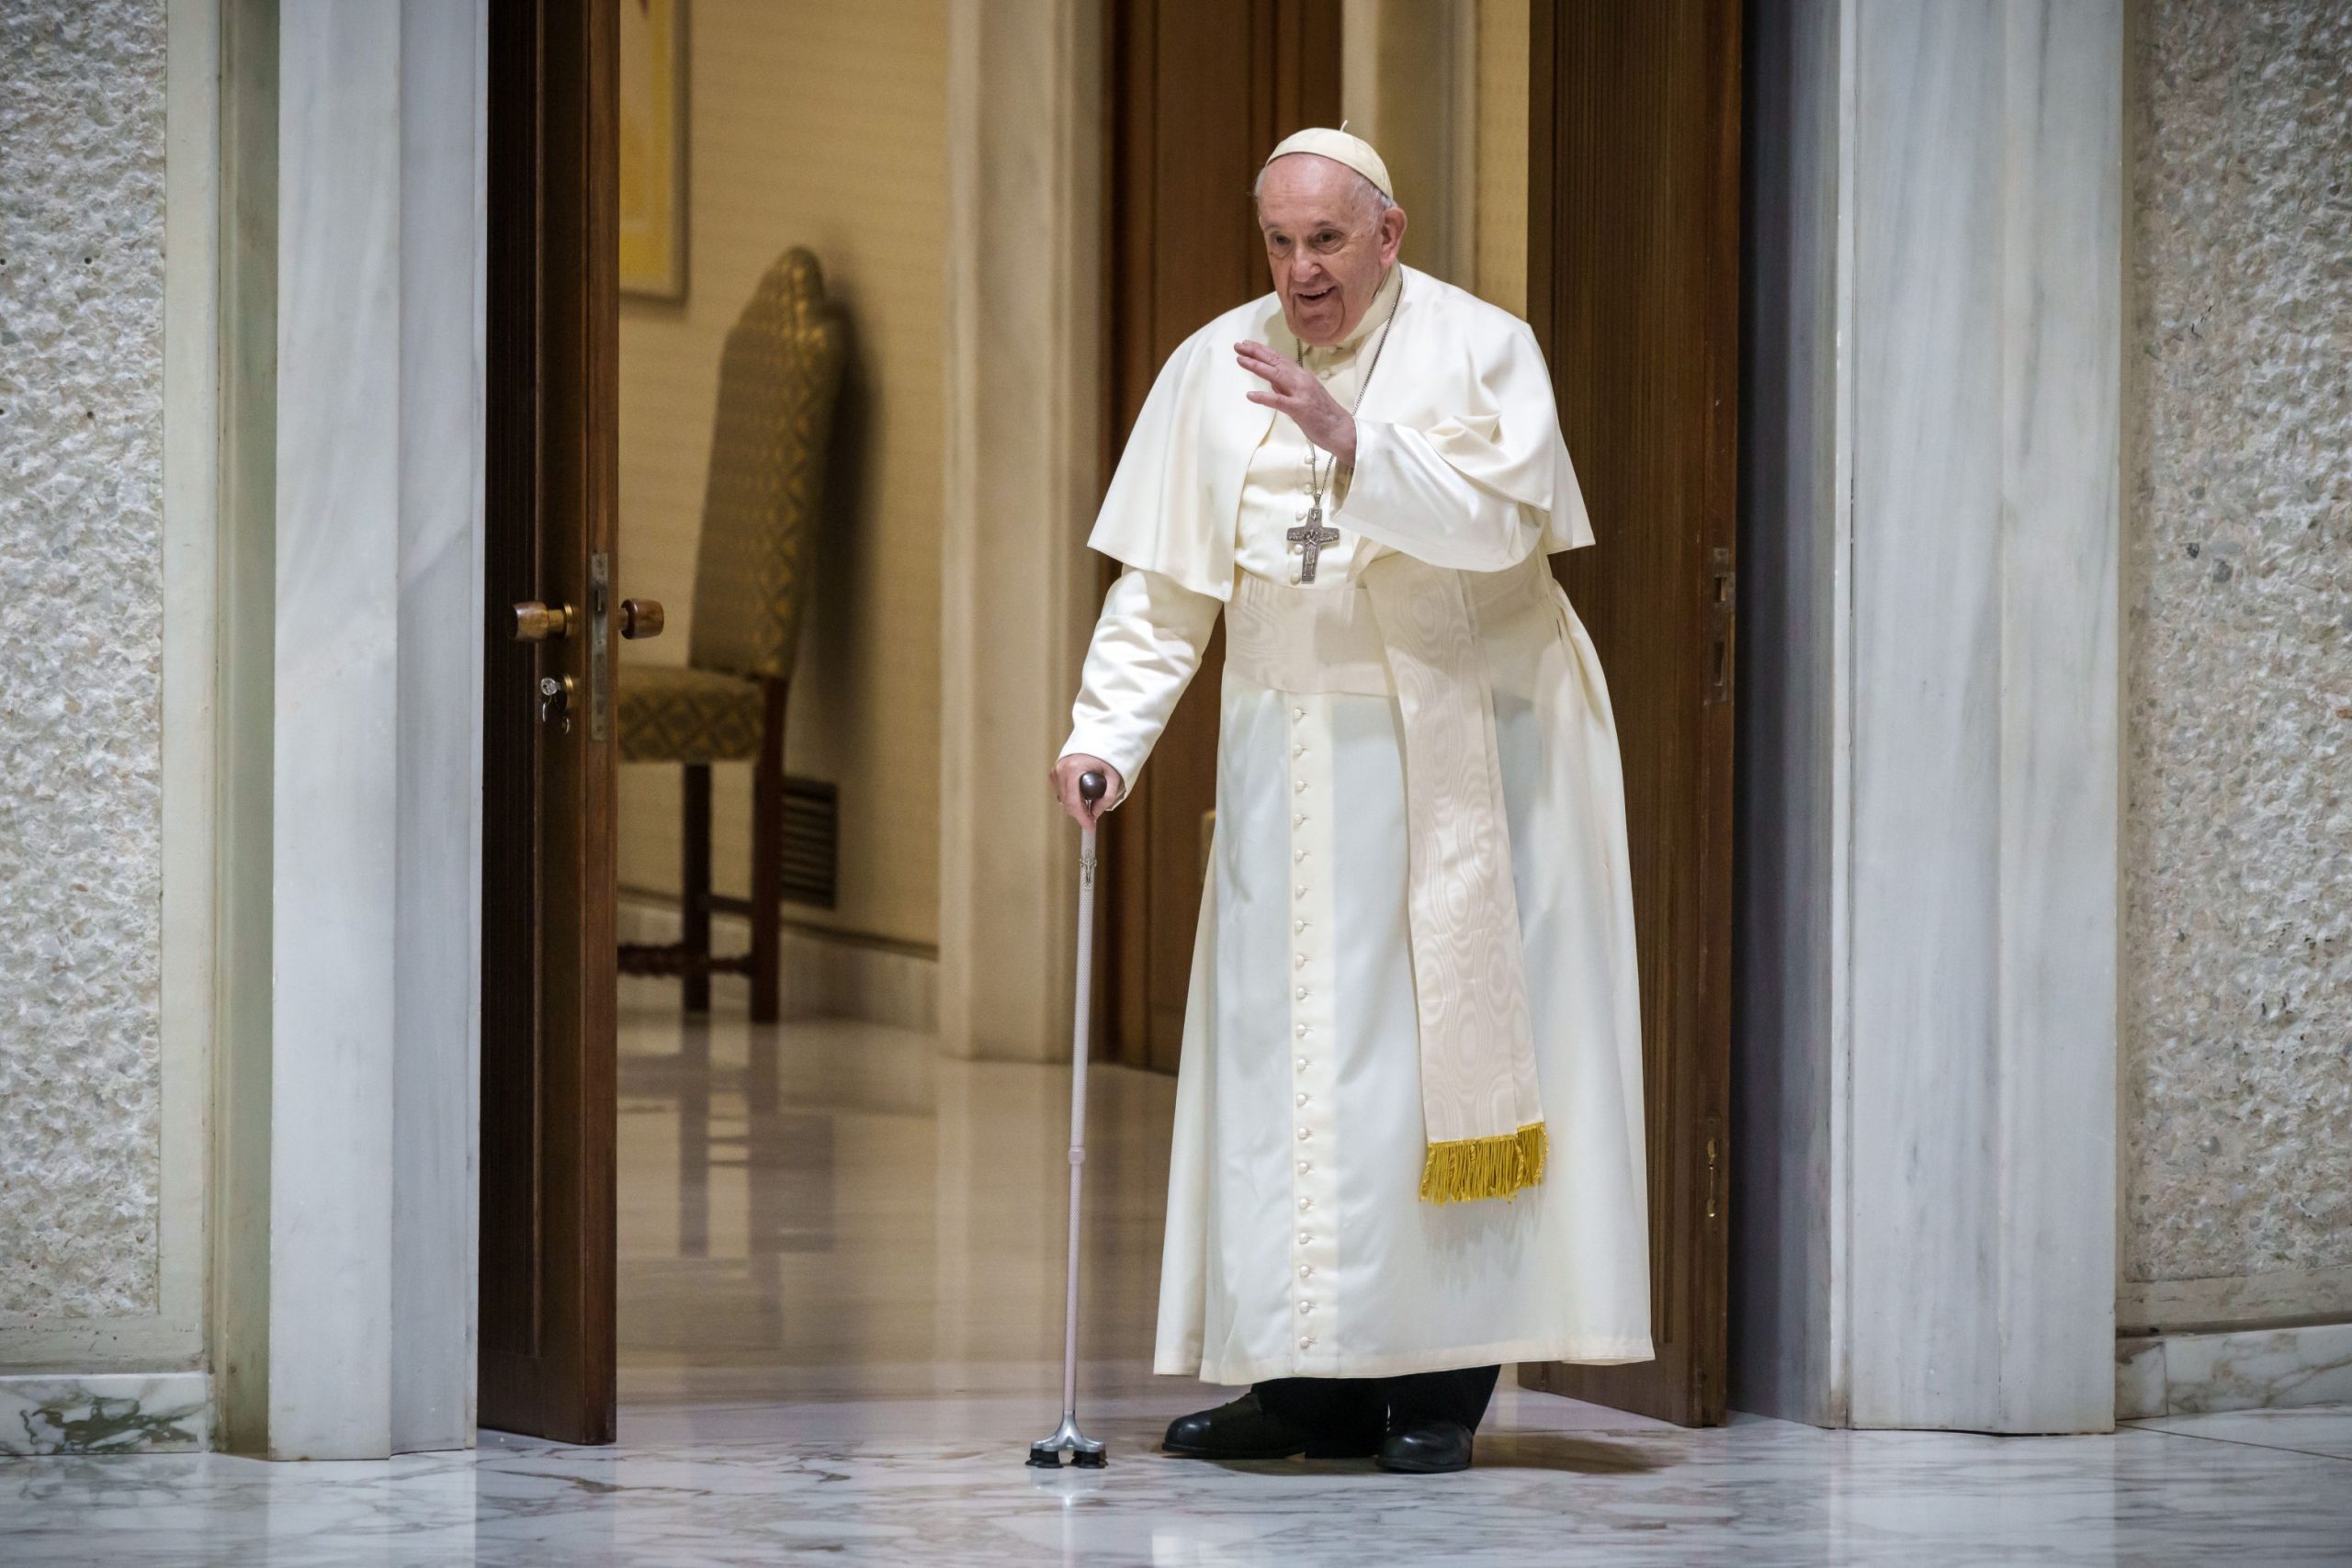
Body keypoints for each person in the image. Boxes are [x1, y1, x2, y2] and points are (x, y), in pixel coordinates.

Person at [1050, 129, 1652, 1475]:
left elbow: (1505, 528)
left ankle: (1433, 1384)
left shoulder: (1483, 348)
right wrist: (1105, 740)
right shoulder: (1213, 363)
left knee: (1418, 1081)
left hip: (1465, 758)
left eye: (1327, 240)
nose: (1302, 270)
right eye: (1279, 242)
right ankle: (1300, 1381)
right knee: (1281, 1070)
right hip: (1284, 760)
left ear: (1390, 232)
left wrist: (1350, 440)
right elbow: (1164, 590)